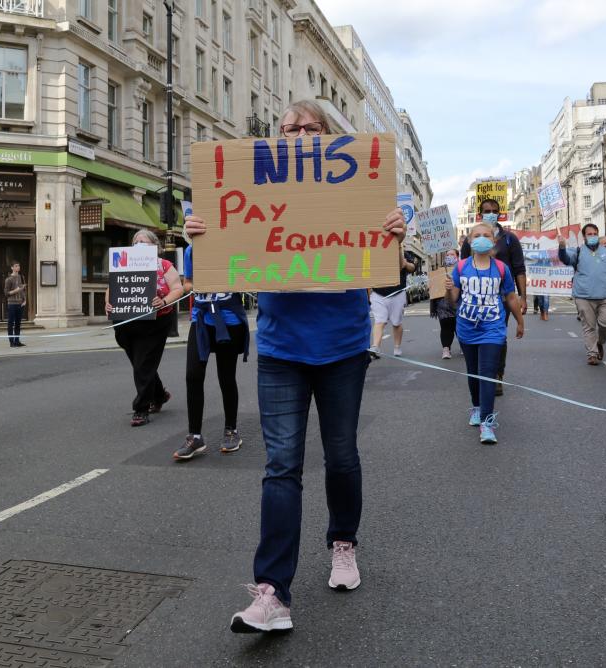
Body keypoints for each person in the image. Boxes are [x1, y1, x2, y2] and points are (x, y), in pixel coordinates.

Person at [185, 100, 406, 634]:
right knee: (281, 465)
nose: (300, 136)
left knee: (341, 456)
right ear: (277, 138)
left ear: (331, 136)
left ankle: (343, 543)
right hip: (282, 349)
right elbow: (216, 268)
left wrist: (394, 236)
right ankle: (271, 593)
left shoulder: (361, 193)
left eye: (312, 129)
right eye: (290, 130)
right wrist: (201, 238)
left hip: (343, 348)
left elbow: (387, 281)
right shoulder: (255, 189)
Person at [447, 223, 525, 445]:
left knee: (487, 373)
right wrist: (447, 288)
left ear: (493, 240)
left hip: (493, 328)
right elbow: (452, 300)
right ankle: (477, 408)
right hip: (466, 328)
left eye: (486, 235)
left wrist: (520, 321)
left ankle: (487, 423)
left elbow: (510, 296)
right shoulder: (461, 267)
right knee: (473, 373)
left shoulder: (501, 268)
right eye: (477, 236)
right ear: (470, 241)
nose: (482, 239)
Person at [173, 243, 250, 460]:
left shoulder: (233, 246)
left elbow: (247, 277)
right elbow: (188, 283)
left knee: (226, 377)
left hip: (229, 320)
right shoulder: (192, 250)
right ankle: (195, 437)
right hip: (201, 319)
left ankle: (231, 430)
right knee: (193, 376)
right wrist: (195, 286)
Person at [105, 229, 185, 427]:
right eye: (136, 242)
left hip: (155, 323)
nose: (139, 245)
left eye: (144, 242)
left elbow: (178, 288)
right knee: (141, 364)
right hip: (126, 322)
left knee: (143, 364)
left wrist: (164, 300)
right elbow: (112, 288)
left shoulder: (164, 266)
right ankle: (159, 395)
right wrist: (108, 303)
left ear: (155, 247)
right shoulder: (122, 263)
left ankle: (141, 408)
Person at [461, 199, 527, 395]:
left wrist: (523, 296)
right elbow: (462, 267)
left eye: (494, 211)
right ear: (480, 214)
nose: (491, 214)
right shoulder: (469, 240)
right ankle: (480, 374)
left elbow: (519, 269)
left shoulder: (509, 239)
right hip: (475, 297)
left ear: (500, 213)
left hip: (502, 298)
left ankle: (497, 375)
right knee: (477, 335)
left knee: (498, 335)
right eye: (487, 211)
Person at [558, 223, 606, 365]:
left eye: (595, 233)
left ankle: (600, 342)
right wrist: (562, 247)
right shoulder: (578, 252)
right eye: (589, 234)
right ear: (584, 237)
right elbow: (565, 259)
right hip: (583, 296)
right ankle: (592, 354)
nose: (593, 236)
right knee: (589, 326)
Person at [369, 250, 417, 358]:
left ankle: (397, 346)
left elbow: (412, 268)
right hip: (378, 293)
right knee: (380, 320)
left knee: (396, 322)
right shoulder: (374, 250)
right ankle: (375, 346)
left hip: (397, 292)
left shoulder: (403, 252)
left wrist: (405, 263)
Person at [432, 249, 459, 359]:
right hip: (443, 304)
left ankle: (464, 345)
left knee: (459, 326)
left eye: (452, 254)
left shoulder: (463, 269)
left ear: (457, 256)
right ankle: (446, 349)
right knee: (445, 326)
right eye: (447, 255)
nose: (449, 256)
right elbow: (435, 286)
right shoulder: (439, 271)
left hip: (458, 303)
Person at [4, 261, 26, 348]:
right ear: (12, 268)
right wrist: (15, 291)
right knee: (11, 323)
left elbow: (23, 290)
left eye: (19, 266)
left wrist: (25, 300)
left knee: (18, 323)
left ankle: (17, 341)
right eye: (16, 266)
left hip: (20, 303)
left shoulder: (21, 277)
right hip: (12, 304)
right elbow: (6, 293)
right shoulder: (8, 279)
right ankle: (11, 342)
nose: (18, 268)